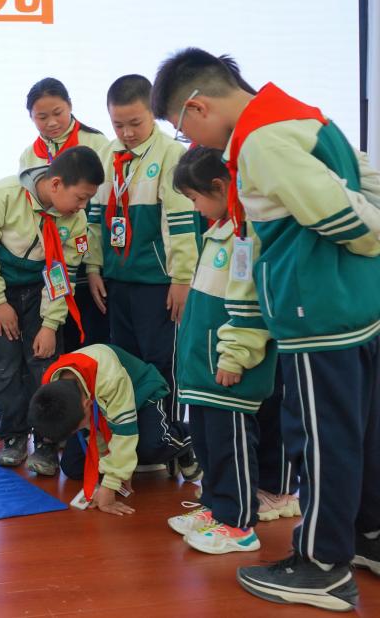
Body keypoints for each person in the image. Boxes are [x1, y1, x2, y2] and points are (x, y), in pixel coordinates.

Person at [152, 47, 380, 612]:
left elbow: (338, 213)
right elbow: (370, 184)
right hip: (355, 306)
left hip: (317, 313)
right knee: (362, 433)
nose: (189, 141)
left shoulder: (259, 142)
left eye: (181, 129)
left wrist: (370, 243)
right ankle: (367, 536)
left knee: (324, 442)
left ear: (198, 107)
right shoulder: (304, 117)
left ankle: (322, 567)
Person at [167, 146, 281, 554]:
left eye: (195, 198)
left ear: (219, 186)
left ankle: (238, 522)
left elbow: (249, 305)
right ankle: (216, 507)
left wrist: (234, 356)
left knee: (231, 447)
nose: (195, 208)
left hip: (227, 368)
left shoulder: (245, 234)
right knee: (208, 442)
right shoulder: (220, 229)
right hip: (205, 368)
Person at [0, 147, 104, 471]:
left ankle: (46, 440)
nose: (82, 206)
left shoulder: (76, 220)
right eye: (80, 198)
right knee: (3, 367)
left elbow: (62, 275)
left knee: (44, 364)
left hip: (40, 291)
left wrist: (49, 325)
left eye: (87, 200)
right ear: (55, 184)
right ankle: (13, 436)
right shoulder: (3, 195)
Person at [85, 75, 199, 424]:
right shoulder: (106, 154)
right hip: (117, 280)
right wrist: (93, 268)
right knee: (126, 362)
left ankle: (171, 434)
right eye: (118, 124)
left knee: (162, 360)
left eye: (135, 123)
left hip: (158, 283)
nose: (127, 132)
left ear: (153, 113)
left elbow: (181, 225)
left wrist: (182, 279)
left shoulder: (170, 154)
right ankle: (139, 434)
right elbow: (93, 220)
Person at [28, 344, 198, 516]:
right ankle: (138, 459)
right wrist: (114, 469)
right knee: (73, 467)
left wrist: (110, 483)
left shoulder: (109, 378)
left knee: (152, 447)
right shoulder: (53, 386)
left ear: (87, 405)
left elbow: (124, 432)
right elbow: (94, 429)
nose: (75, 432)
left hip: (143, 394)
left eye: (75, 429)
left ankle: (186, 437)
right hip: (107, 406)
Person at [19, 78, 112, 352]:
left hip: (86, 257)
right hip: (47, 265)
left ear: (70, 105)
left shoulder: (95, 142)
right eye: (41, 117)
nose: (51, 123)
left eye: (58, 113)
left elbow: (99, 209)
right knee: (59, 341)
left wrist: (93, 267)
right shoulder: (29, 156)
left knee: (93, 339)